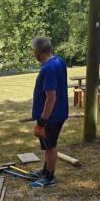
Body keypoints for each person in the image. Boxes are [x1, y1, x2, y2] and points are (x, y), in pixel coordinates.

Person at [27, 37, 68, 188]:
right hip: (56, 114)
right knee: (47, 144)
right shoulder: (59, 61)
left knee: (50, 146)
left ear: (38, 51)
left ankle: (49, 177)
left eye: (33, 51)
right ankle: (45, 171)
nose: (33, 54)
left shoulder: (48, 68)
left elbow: (51, 97)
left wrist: (42, 121)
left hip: (51, 116)